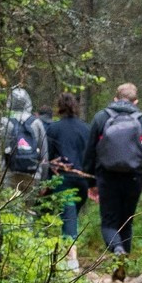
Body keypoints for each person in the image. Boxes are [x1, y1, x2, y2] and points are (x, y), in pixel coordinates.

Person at [84, 82, 142, 278]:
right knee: (127, 222)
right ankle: (122, 265)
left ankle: (117, 251)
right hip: (134, 178)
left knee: (109, 222)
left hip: (106, 176)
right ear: (136, 101)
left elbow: (90, 152)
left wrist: (90, 182)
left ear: (115, 99)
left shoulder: (102, 117)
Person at [45, 95, 94, 273]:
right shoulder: (86, 129)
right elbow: (92, 157)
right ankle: (68, 254)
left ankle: (72, 259)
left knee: (68, 214)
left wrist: (46, 182)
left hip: (63, 178)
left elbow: (48, 157)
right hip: (82, 179)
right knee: (70, 214)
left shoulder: (53, 129)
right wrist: (93, 182)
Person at [0, 86, 50, 192]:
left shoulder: (3, 122)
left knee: (9, 206)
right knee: (28, 207)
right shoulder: (36, 123)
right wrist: (43, 181)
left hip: (9, 174)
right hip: (33, 174)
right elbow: (44, 155)